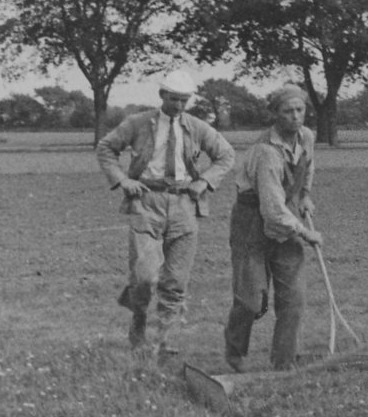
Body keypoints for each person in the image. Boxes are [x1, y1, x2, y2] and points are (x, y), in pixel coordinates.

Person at [95, 69, 236, 365]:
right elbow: (106, 148)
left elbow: (226, 155)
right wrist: (122, 180)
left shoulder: (197, 127)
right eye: (174, 99)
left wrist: (206, 181)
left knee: (175, 280)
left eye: (185, 101)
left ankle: (165, 342)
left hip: (185, 204)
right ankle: (138, 322)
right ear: (162, 96)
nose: (180, 106)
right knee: (145, 275)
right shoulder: (137, 123)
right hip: (146, 203)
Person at [223, 85, 323, 372]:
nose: (295, 117)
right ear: (276, 114)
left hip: (286, 212)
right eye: (287, 111)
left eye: (299, 110)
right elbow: (272, 210)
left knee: (293, 298)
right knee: (252, 301)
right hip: (252, 221)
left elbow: (308, 166)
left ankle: (284, 363)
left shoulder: (306, 137)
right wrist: (306, 233)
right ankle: (234, 349)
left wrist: (304, 194)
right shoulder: (265, 151)